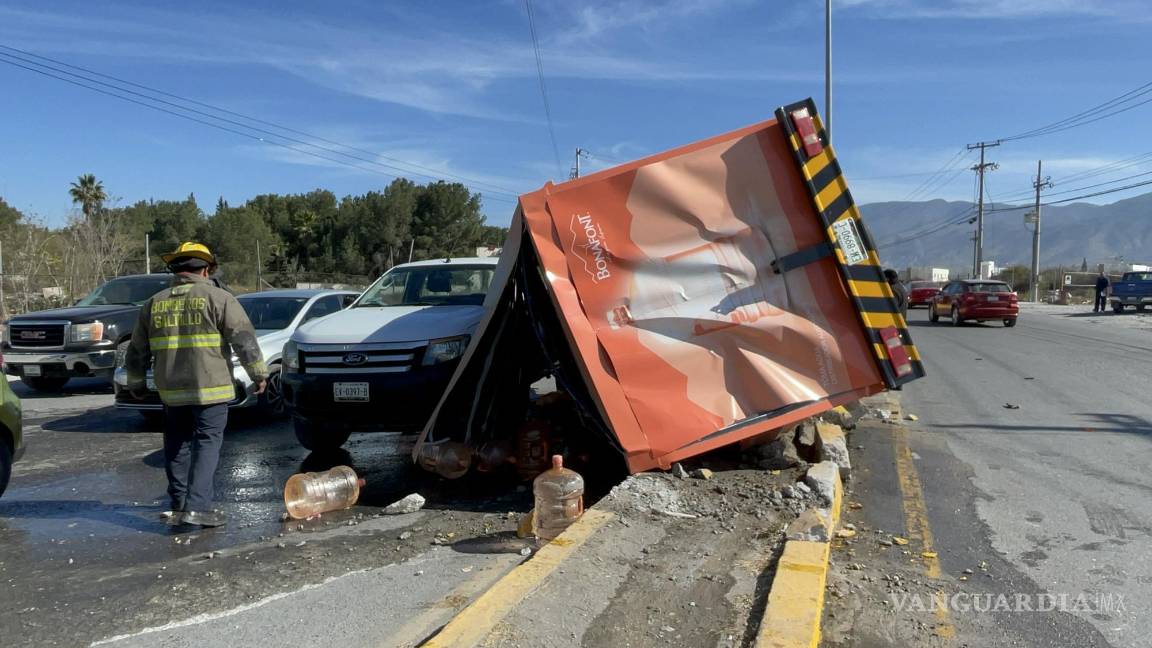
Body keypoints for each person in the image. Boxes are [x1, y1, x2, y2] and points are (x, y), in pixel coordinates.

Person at [125, 242, 268, 528]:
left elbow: (137, 349)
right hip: (210, 388)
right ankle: (198, 508)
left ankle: (179, 503)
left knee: (176, 444)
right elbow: (243, 339)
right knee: (207, 443)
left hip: (171, 390)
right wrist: (259, 375)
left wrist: (136, 384)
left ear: (176, 270)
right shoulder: (220, 298)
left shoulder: (154, 303)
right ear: (205, 270)